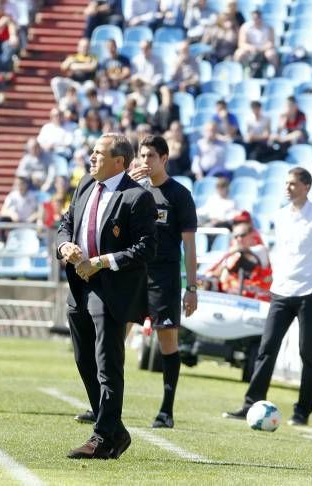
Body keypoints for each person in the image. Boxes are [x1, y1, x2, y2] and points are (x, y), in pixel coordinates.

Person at [56, 133, 157, 459]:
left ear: (119, 162)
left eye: (99, 154)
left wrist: (100, 262)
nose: (92, 158)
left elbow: (146, 249)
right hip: (78, 285)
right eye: (92, 152)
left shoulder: (136, 197)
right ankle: (116, 431)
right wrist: (64, 246)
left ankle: (101, 437)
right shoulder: (86, 183)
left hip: (110, 288)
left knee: (106, 364)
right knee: (83, 359)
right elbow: (67, 221)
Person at [223, 167, 312, 426]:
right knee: (267, 348)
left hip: (310, 290)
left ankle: (302, 411)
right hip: (282, 289)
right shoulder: (280, 216)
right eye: (286, 183)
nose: (287, 188)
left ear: (306, 187)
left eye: (293, 184)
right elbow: (278, 252)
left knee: (307, 351)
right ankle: (251, 403)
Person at [117, 135, 199, 429]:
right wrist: (126, 183)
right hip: (133, 273)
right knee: (115, 340)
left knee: (167, 342)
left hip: (163, 278)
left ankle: (166, 410)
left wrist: (191, 287)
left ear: (164, 159)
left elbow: (189, 246)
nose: (145, 161)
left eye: (151, 156)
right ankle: (103, 405)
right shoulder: (132, 190)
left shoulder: (179, 195)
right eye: (141, 155)